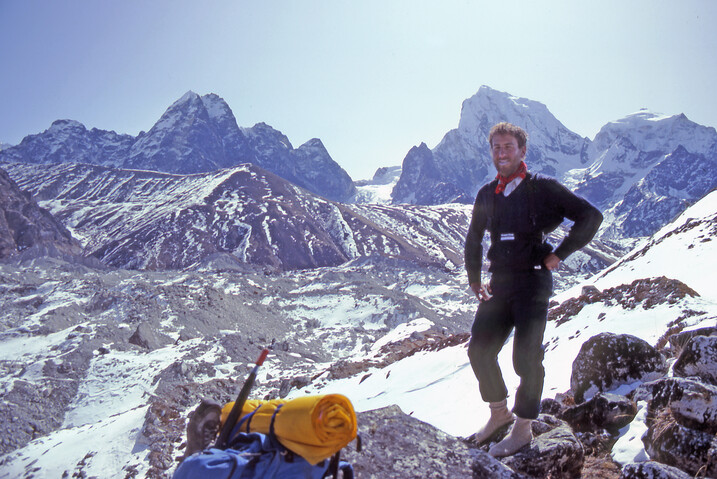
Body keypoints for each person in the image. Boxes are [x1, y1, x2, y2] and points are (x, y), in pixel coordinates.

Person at [465, 122, 602, 457]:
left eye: (508, 146)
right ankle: (499, 414)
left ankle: (523, 428)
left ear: (522, 151)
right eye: (496, 147)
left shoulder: (543, 188)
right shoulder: (487, 194)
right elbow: (474, 237)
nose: (501, 153)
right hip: (500, 283)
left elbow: (590, 216)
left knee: (525, 358)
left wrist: (560, 253)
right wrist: (473, 278)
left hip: (532, 282)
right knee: (479, 350)